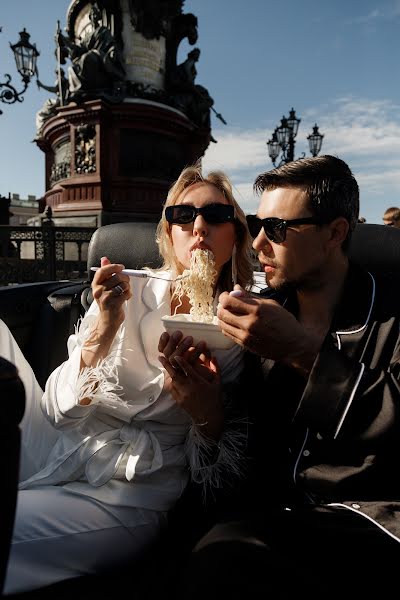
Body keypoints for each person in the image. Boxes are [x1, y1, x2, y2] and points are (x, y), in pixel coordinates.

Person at [3, 165, 254, 595]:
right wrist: (103, 328)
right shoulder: (128, 291)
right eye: (182, 216)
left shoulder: (238, 325)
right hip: (61, 443)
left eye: (215, 216)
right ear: (167, 232)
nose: (198, 227)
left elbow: (212, 472)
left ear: (236, 234)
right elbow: (56, 412)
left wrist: (203, 409)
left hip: (129, 490)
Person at [180, 155, 400, 600]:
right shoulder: (265, 311)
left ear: (336, 233)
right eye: (258, 223)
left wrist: (301, 352)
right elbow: (245, 452)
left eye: (278, 229)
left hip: (369, 516)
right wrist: (205, 408)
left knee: (223, 558)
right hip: (269, 509)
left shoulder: (393, 316)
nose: (258, 242)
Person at [57, 2, 125, 100]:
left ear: (99, 17)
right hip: (92, 55)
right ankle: (79, 91)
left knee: (87, 57)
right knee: (73, 67)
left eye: (97, 14)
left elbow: (111, 43)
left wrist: (112, 51)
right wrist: (63, 39)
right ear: (90, 17)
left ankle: (88, 88)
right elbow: (78, 48)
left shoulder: (103, 30)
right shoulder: (87, 36)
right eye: (93, 14)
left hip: (100, 56)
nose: (95, 15)